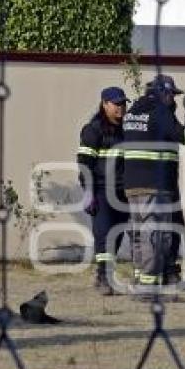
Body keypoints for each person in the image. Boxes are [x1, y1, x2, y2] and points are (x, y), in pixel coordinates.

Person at [122, 74, 185, 294]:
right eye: (172, 95)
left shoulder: (133, 112)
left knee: (140, 232)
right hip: (155, 185)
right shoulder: (160, 112)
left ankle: (142, 276)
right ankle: (148, 283)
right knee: (154, 235)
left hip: (132, 185)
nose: (173, 100)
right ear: (163, 93)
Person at [77, 86, 129, 295]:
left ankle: (107, 274)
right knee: (103, 233)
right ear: (104, 104)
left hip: (124, 192)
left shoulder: (127, 130)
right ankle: (102, 277)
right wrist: (88, 191)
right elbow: (84, 162)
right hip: (101, 190)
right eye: (116, 104)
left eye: (123, 103)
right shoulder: (93, 130)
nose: (121, 108)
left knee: (117, 235)